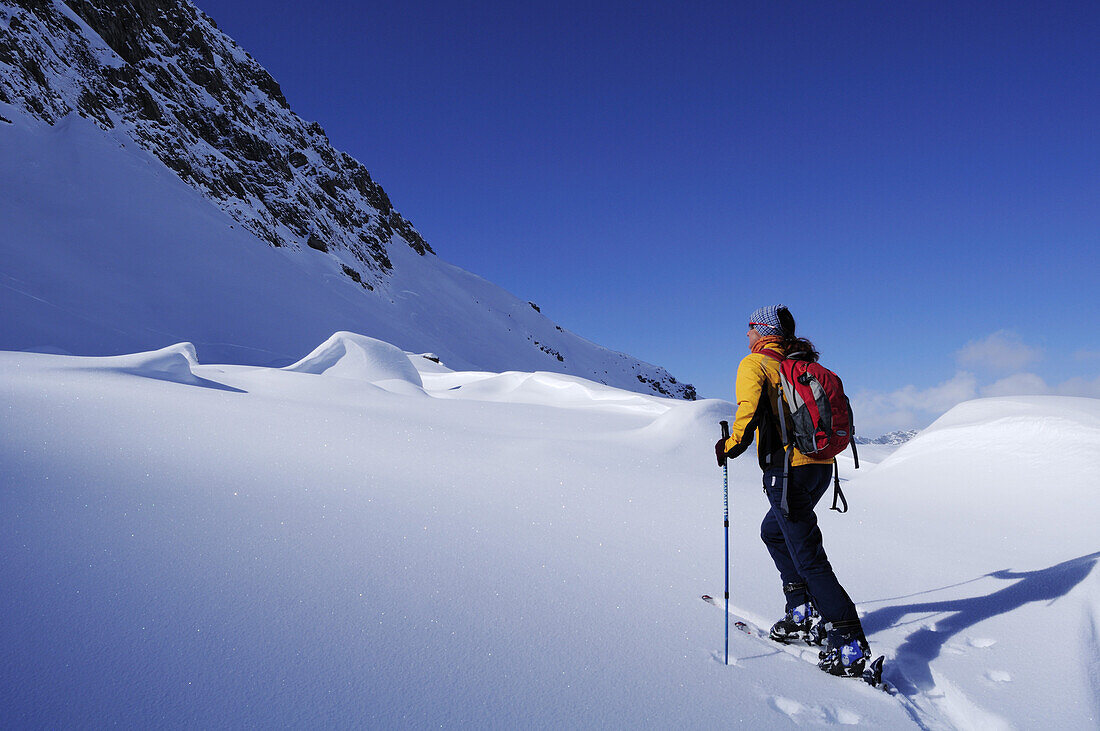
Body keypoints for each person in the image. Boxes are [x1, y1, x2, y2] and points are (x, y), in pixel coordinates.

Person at [714, 304, 870, 677]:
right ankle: (801, 609)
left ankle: (848, 641)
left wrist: (729, 446)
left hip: (786, 473)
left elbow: (748, 412)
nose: (747, 334)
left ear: (764, 331)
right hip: (819, 469)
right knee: (773, 532)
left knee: (808, 556)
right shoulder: (798, 365)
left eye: (751, 327)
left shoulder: (755, 365)